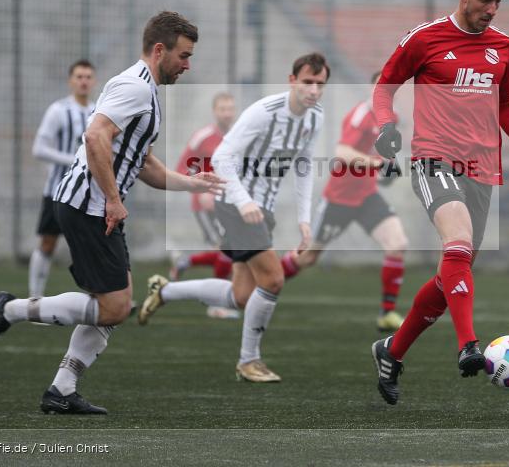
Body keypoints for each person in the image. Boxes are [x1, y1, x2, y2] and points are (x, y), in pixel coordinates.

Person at [0, 11, 224, 414]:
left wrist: (191, 183)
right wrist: (112, 198)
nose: (187, 65)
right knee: (115, 307)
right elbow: (95, 136)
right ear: (160, 50)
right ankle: (9, 310)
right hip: (88, 206)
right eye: (184, 56)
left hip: (94, 206)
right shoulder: (135, 87)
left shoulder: (144, 90)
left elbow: (142, 163)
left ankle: (62, 389)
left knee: (115, 304)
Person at [370, 0, 509, 405]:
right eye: (486, 0)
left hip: (482, 169)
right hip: (434, 159)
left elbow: (504, 103)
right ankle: (468, 345)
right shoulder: (425, 38)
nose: (492, 9)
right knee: (457, 247)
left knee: (453, 273)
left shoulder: (503, 46)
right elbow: (384, 87)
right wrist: (385, 126)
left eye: (499, 2)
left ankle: (392, 351)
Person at [138, 52, 329, 383]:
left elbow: (304, 166)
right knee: (273, 280)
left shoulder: (315, 117)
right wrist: (243, 202)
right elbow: (222, 157)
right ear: (292, 81)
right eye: (307, 82)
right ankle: (248, 361)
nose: (313, 90)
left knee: (241, 296)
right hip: (234, 202)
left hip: (261, 209)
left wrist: (304, 219)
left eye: (320, 84)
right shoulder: (264, 112)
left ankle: (165, 291)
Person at [280, 70, 409, 332]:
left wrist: (388, 168)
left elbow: (381, 153)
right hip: (339, 199)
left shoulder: (391, 118)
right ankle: (267, 279)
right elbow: (342, 152)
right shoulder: (360, 115)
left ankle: (387, 314)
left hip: (367, 196)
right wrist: (377, 164)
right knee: (308, 258)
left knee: (397, 244)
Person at [28, 60, 96, 298]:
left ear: (94, 81)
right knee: (48, 243)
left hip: (88, 193)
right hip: (57, 190)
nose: (83, 81)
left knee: (91, 246)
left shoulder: (98, 112)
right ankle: (35, 297)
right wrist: (74, 160)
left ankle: (99, 296)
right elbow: (39, 149)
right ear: (70, 81)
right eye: (79, 76)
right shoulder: (58, 111)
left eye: (88, 77)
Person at [168, 92, 239, 319]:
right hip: (206, 206)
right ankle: (217, 305)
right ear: (214, 111)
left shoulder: (239, 136)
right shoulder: (202, 137)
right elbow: (182, 168)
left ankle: (186, 262)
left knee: (229, 251)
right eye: (222, 109)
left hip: (230, 205)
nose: (227, 113)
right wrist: (199, 190)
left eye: (230, 109)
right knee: (226, 251)